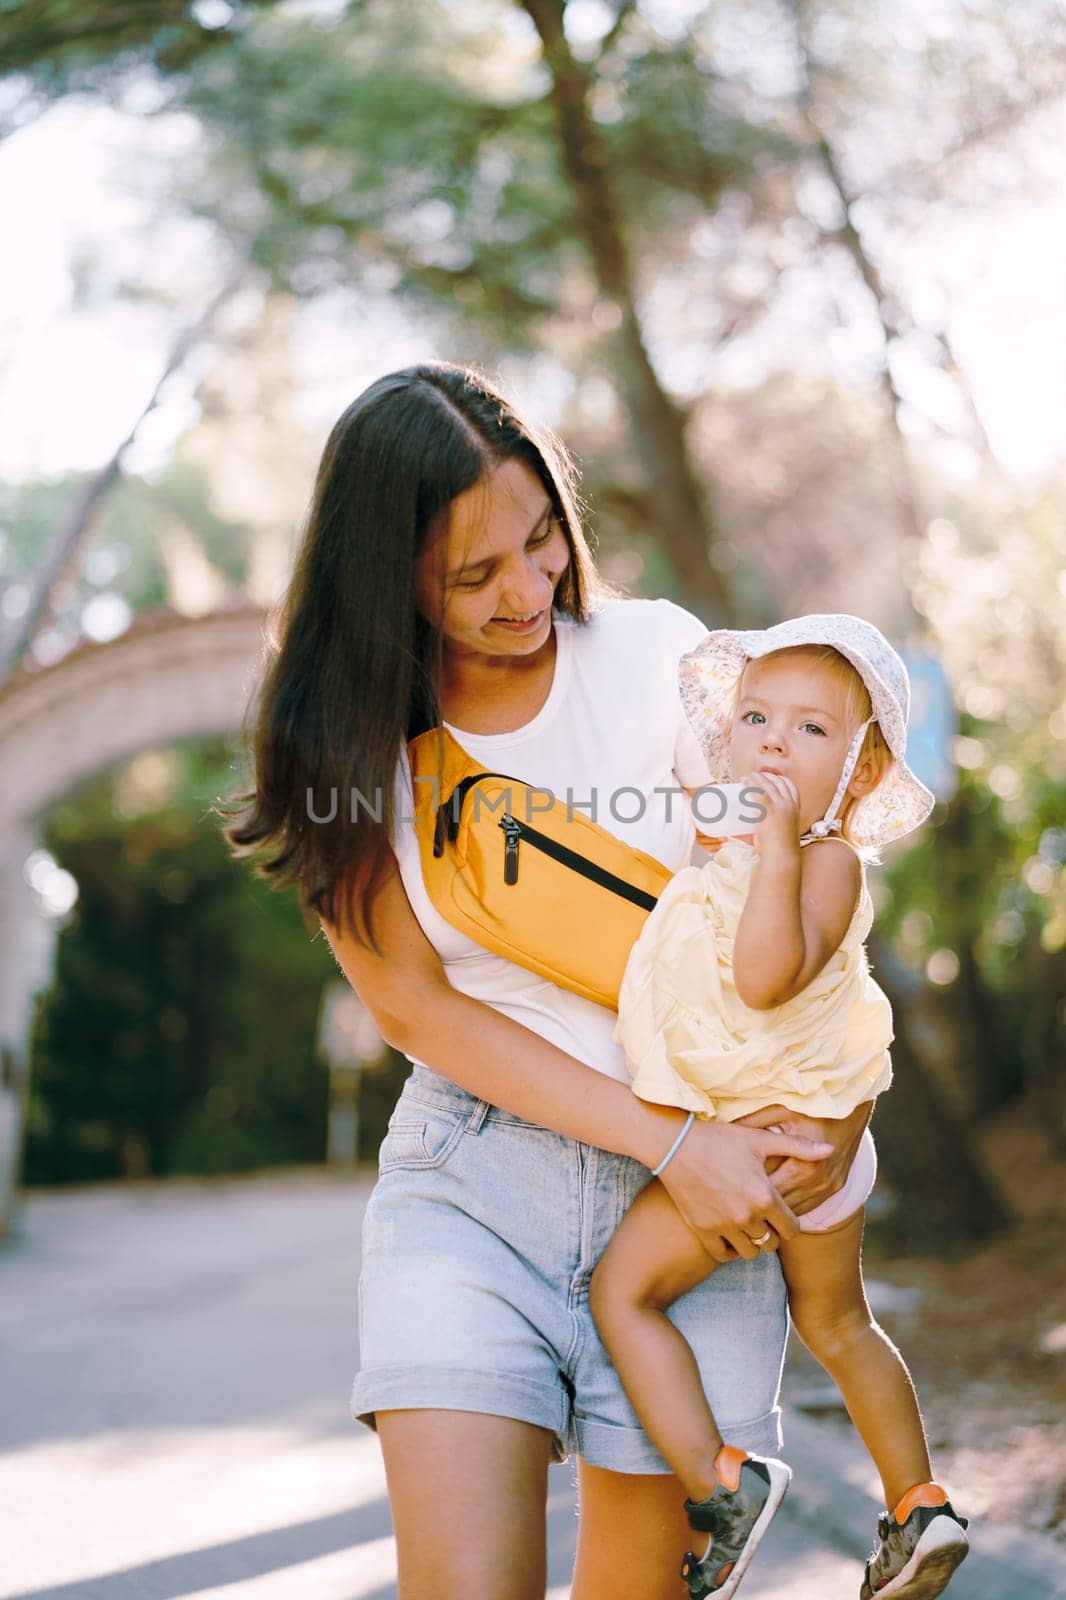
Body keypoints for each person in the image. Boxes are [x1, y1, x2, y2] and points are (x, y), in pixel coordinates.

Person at [220, 363, 873, 1600]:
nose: (526, 592)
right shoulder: (346, 745)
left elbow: (793, 871)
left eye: (539, 544)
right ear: (386, 578)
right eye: (473, 574)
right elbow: (415, 1007)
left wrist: (828, 1100)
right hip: (473, 1186)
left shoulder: (660, 660)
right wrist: (664, 1134)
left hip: (700, 1213)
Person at [591, 616, 970, 1600]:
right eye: (754, 716)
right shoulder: (737, 850)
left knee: (622, 1294)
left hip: (768, 1151)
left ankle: (724, 1484)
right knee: (838, 1325)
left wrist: (770, 848)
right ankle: (915, 1506)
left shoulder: (826, 861)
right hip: (813, 1142)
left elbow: (761, 979)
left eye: (808, 729)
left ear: (860, 765)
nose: (769, 740)